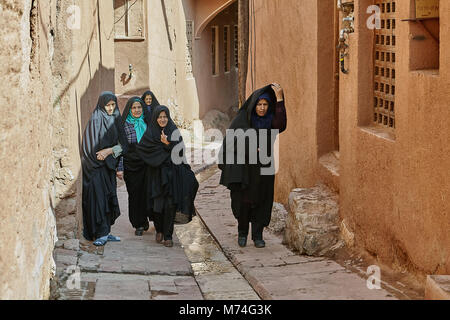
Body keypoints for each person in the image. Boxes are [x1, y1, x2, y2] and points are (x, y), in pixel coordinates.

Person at [219, 83, 287, 248]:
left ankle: (258, 235)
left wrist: (279, 99)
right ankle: (242, 233)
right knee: (245, 201)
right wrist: (251, 145)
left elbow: (281, 125)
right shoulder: (243, 119)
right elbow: (231, 141)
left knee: (262, 199)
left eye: (265, 105)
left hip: (264, 166)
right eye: (259, 104)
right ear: (253, 104)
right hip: (245, 168)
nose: (262, 108)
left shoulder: (270, 121)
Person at [137, 106, 199, 247]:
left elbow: (180, 152)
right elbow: (143, 150)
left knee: (170, 205)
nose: (162, 119)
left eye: (165, 116)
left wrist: (168, 144)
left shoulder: (174, 131)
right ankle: (159, 230)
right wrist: (159, 154)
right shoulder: (150, 133)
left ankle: (168, 235)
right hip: (155, 176)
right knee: (157, 206)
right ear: (155, 118)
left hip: (172, 175)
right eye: (160, 117)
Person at [81, 91, 129, 246]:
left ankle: (106, 232)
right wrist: (103, 156)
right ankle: (99, 234)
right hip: (95, 168)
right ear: (102, 104)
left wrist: (109, 151)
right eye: (108, 105)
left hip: (109, 167)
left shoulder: (116, 118)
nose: (110, 108)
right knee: (99, 200)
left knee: (108, 200)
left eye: (113, 105)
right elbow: (89, 148)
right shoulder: (96, 119)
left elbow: (125, 146)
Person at [117, 97, 152, 236]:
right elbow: (120, 147)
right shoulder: (124, 125)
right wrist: (119, 168)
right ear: (129, 110)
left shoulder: (148, 123)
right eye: (134, 108)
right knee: (134, 194)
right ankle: (138, 224)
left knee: (146, 193)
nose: (137, 110)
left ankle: (146, 220)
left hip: (147, 165)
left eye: (139, 107)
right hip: (130, 165)